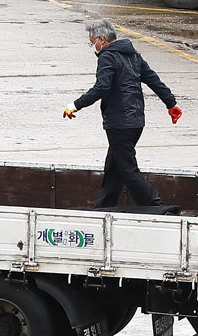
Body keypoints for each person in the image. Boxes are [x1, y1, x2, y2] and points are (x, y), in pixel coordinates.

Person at [66, 17, 183, 209]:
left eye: (92, 42)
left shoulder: (107, 56)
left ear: (101, 40)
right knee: (114, 167)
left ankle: (156, 208)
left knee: (128, 169)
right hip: (136, 122)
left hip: (119, 123)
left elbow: (101, 87)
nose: (93, 46)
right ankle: (103, 207)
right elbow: (153, 79)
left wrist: (75, 105)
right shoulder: (132, 54)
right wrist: (171, 104)